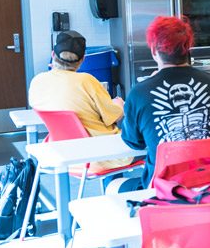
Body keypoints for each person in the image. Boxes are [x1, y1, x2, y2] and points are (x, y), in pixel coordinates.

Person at [121, 16, 210, 176]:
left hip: (165, 193)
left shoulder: (139, 93)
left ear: (153, 51)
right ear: (188, 49)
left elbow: (134, 142)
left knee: (116, 187)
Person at [28, 30, 132, 170]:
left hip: (61, 151)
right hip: (99, 154)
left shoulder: (38, 81)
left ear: (53, 55)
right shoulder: (86, 81)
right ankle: (114, 187)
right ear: (83, 59)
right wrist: (119, 105)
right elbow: (111, 116)